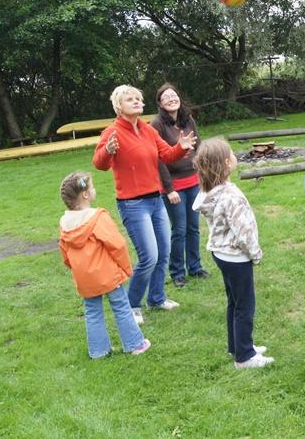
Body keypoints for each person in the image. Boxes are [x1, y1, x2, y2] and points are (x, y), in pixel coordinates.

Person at [93, 85, 196, 325]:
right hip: (133, 204)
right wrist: (107, 151)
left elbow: (167, 155)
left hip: (156, 200)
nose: (137, 101)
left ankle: (157, 298)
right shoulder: (112, 132)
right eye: (130, 99)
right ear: (119, 106)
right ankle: (132, 305)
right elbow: (99, 163)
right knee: (149, 256)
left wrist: (181, 147)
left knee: (163, 252)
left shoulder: (148, 130)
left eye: (139, 98)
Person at [193, 137, 273, 369]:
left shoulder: (212, 191)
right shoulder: (230, 196)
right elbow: (243, 231)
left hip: (221, 254)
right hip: (236, 257)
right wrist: (255, 253)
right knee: (244, 306)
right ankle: (244, 357)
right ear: (227, 163)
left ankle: (236, 346)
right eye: (231, 153)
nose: (235, 156)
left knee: (234, 302)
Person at [58, 171, 151, 358]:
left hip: (84, 278)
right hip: (108, 275)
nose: (94, 189)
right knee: (121, 306)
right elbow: (117, 245)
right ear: (85, 195)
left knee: (92, 312)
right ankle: (135, 344)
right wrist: (125, 267)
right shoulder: (98, 217)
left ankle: (98, 352)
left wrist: (77, 269)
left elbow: (65, 253)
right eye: (92, 187)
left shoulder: (64, 222)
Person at [150, 83, 209, 288]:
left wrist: (204, 176)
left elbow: (199, 147)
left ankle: (195, 267)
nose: (171, 99)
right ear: (160, 103)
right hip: (173, 187)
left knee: (194, 227)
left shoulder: (188, 119)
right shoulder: (157, 125)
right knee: (180, 229)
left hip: (194, 181)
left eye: (173, 95)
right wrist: (169, 189)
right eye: (166, 97)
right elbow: (158, 159)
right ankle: (177, 272)